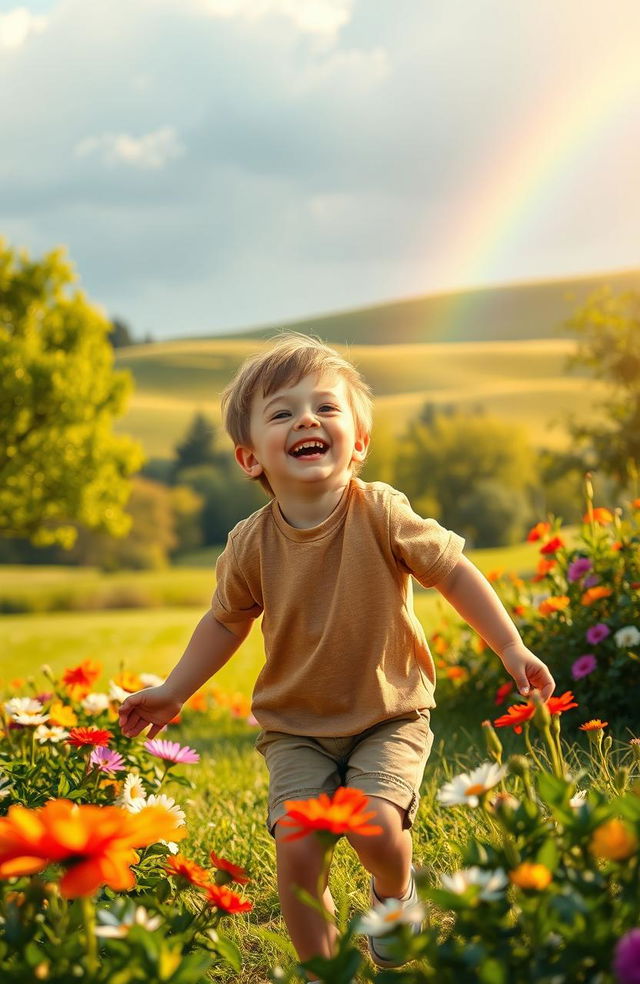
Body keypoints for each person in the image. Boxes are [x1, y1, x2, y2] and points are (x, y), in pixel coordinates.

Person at [119, 333, 555, 975]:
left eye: (326, 407)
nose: (306, 420)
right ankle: (323, 970)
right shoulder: (250, 545)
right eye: (282, 412)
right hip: (296, 727)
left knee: (375, 826)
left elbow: (453, 571)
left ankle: (391, 894)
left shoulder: (380, 512)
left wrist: (511, 646)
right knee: (298, 849)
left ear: (359, 441)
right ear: (250, 459)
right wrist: (174, 690)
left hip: (388, 714)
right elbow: (223, 622)